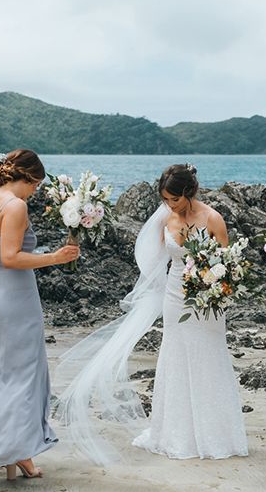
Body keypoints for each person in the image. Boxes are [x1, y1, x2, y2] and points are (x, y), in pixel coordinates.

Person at [54, 164, 248, 463]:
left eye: (175, 199)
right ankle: (175, 433)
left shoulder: (213, 218)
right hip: (174, 296)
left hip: (207, 301)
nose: (170, 205)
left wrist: (213, 288)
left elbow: (228, 267)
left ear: (190, 192)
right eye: (166, 199)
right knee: (176, 358)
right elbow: (153, 261)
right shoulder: (164, 219)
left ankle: (216, 434)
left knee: (208, 357)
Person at [0, 149, 79, 482]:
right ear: (28, 178)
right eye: (35, 186)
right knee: (21, 377)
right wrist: (56, 257)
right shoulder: (15, 205)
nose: (34, 192)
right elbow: (11, 256)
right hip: (15, 300)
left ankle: (4, 452)